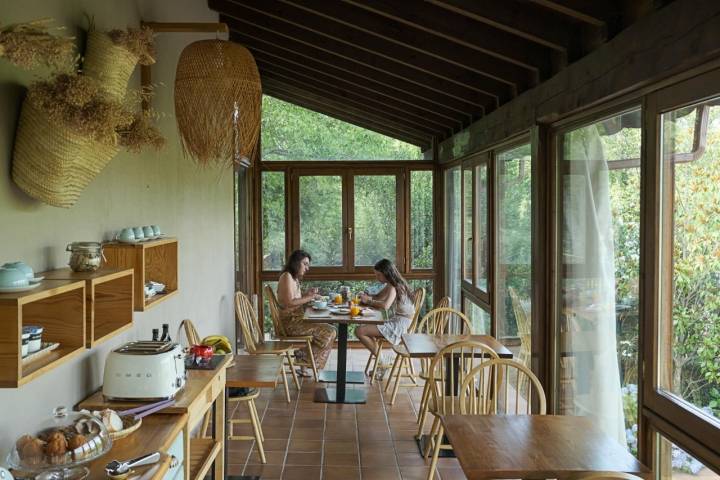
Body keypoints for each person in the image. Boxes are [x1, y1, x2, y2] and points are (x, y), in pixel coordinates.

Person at [277, 250, 337, 377]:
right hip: (290, 324)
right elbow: (289, 303)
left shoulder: (293, 278)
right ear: (295, 263)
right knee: (329, 331)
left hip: (297, 319)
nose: (307, 268)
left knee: (330, 330)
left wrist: (308, 295)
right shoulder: (286, 276)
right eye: (305, 264)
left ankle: (303, 357)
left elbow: (295, 299)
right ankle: (303, 357)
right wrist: (311, 298)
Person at [356, 259, 415, 379]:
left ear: (386, 273)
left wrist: (368, 301)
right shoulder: (391, 284)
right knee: (364, 330)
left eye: (378, 274)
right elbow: (378, 296)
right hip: (399, 320)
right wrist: (367, 296)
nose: (377, 277)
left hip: (401, 325)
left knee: (360, 331)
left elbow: (385, 306)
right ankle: (382, 361)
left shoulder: (395, 286)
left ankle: (382, 361)